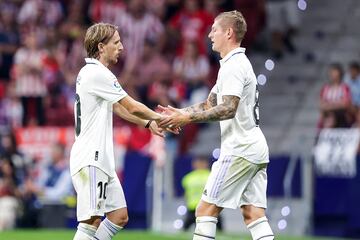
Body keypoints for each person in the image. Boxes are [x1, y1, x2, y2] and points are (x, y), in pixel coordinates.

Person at [159, 10, 274, 240]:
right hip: (255, 147)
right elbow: (209, 103)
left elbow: (228, 109)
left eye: (214, 29)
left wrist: (187, 119)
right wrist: (179, 113)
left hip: (239, 149)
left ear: (229, 33)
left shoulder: (233, 66)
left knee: (204, 211)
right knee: (254, 214)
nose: (209, 34)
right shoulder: (234, 64)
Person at [70, 23, 173, 240]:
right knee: (91, 222)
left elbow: (117, 107)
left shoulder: (91, 73)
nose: (122, 47)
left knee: (119, 216)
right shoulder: (98, 74)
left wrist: (147, 124)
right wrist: (162, 117)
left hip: (101, 159)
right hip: (91, 158)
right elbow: (132, 105)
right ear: (101, 47)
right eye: (116, 42)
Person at [182, 156, 223, 231]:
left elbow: (186, 194)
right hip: (196, 207)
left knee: (189, 229)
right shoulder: (211, 176)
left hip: (206, 206)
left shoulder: (189, 177)